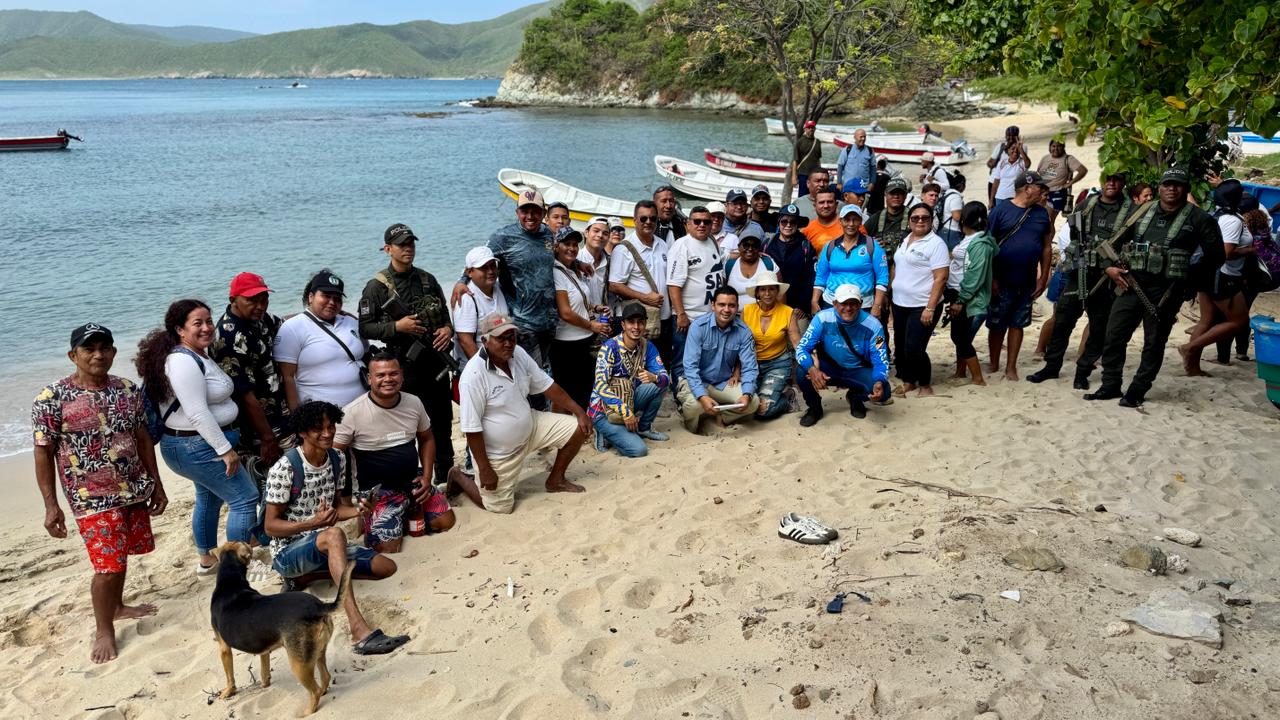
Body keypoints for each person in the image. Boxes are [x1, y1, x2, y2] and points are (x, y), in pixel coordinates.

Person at [33, 323, 168, 663]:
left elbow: (142, 438)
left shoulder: (126, 390)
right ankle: (103, 628)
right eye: (89, 349)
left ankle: (119, 606)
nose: (98, 355)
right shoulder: (52, 399)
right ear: (72, 355)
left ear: (113, 352)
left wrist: (156, 483)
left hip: (132, 489)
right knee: (106, 567)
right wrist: (51, 506)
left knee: (120, 555)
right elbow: (43, 452)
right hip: (90, 498)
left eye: (104, 348)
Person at [262, 400, 409, 656]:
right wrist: (312, 523)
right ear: (302, 432)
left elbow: (339, 508)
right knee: (333, 535)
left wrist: (360, 510)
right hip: (288, 552)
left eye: (331, 426)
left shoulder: (337, 459)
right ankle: (359, 631)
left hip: (324, 544)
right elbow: (270, 527)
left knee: (386, 567)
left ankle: (307, 577)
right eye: (319, 429)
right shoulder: (284, 468)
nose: (328, 433)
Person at [137, 299, 258, 575]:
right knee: (245, 498)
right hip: (194, 445)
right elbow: (196, 412)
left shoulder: (199, 354)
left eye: (208, 321)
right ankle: (235, 568)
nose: (206, 328)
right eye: (197, 323)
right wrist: (225, 449)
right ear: (180, 329)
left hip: (192, 445)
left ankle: (207, 561)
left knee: (209, 497)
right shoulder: (181, 361)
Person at [1087, 167, 1224, 406]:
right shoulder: (1140, 212)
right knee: (1113, 336)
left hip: (1167, 291)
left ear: (1186, 188)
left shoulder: (1199, 219)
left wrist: (1187, 279)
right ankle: (1110, 385)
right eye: (1167, 184)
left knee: (1154, 342)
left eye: (1178, 184)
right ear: (1159, 187)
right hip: (1131, 284)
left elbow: (1216, 257)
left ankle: (1137, 390)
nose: (1172, 188)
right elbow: (1112, 243)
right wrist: (1109, 267)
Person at [450, 314, 591, 514]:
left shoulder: (519, 353)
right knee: (499, 508)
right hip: (500, 453)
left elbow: (547, 385)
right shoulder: (472, 376)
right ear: (485, 341)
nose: (508, 343)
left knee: (578, 428)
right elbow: (471, 429)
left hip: (531, 426)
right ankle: (458, 476)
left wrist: (579, 412)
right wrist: (484, 469)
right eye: (501, 338)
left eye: (512, 337)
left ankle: (556, 480)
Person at [357, 223, 454, 484]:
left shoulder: (427, 279)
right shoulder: (376, 287)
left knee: (442, 420)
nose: (408, 249)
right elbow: (364, 327)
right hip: (404, 367)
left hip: (435, 361)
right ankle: (412, 480)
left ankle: (446, 476)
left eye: (411, 243)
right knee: (406, 425)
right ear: (388, 249)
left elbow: (444, 313)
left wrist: (447, 329)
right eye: (401, 245)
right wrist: (396, 327)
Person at [333, 353, 453, 554]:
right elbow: (334, 457)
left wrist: (426, 477)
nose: (388, 379)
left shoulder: (413, 402)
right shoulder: (352, 413)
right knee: (386, 548)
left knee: (445, 523)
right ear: (369, 379)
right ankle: (375, 519)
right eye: (380, 375)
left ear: (402, 376)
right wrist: (341, 499)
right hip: (378, 494)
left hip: (413, 485)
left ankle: (446, 482)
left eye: (393, 373)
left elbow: (427, 439)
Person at [1027, 172, 1135, 388]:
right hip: (1079, 273)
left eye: (1117, 180)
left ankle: (1083, 371)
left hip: (1107, 280)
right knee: (1062, 321)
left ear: (1123, 183)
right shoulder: (1087, 204)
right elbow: (1075, 236)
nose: (1111, 183)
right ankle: (1051, 367)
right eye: (1108, 179)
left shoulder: (1131, 212)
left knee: (1098, 328)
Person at [450, 189, 559, 394]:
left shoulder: (548, 234)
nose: (530, 216)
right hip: (523, 324)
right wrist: (461, 281)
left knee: (542, 375)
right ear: (517, 212)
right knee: (533, 381)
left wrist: (578, 264)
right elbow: (480, 260)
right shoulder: (502, 237)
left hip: (549, 321)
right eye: (524, 211)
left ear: (543, 212)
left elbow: (560, 258)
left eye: (535, 211)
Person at [210, 272, 290, 470]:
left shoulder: (259, 318)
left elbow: (285, 322)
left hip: (280, 415)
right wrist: (267, 438)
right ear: (233, 300)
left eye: (264, 300)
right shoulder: (229, 338)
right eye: (252, 300)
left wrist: (317, 315)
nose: (260, 306)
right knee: (275, 483)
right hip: (259, 429)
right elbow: (245, 395)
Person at [1179, 178, 1252, 376]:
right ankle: (1189, 348)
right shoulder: (1232, 221)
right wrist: (1250, 250)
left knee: (1207, 320)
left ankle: (1192, 366)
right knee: (1239, 321)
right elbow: (1227, 252)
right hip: (1224, 275)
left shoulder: (1215, 214)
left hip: (1207, 273)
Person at [986, 171, 1053, 381]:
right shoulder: (1000, 210)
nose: (1042, 192)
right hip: (1002, 278)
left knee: (1018, 323)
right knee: (997, 323)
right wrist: (993, 277)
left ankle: (1011, 366)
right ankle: (994, 362)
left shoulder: (1042, 213)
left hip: (1027, 280)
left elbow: (1047, 247)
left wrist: (1043, 277)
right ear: (1027, 188)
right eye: (1039, 188)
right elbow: (987, 245)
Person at [794, 285, 890, 425]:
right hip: (830, 368)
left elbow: (881, 358)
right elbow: (802, 348)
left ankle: (855, 397)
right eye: (843, 303)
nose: (848, 308)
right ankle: (814, 408)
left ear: (861, 304)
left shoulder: (875, 326)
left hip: (858, 370)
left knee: (884, 391)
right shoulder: (821, 318)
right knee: (802, 372)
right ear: (834, 303)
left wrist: (879, 380)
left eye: (853, 303)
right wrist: (812, 369)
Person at [588, 302, 671, 457]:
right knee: (639, 450)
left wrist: (655, 377)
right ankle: (602, 430)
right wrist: (625, 412)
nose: (636, 327)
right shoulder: (609, 348)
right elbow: (600, 386)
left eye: (640, 322)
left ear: (645, 324)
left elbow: (665, 378)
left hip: (629, 398)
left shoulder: (648, 346)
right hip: (604, 410)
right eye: (631, 322)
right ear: (623, 325)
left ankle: (644, 427)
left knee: (659, 384)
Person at [275, 270, 366, 409]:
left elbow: (365, 355)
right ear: (311, 297)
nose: (332, 302)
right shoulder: (293, 327)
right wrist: (296, 417)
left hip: (362, 405)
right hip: (321, 415)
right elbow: (287, 378)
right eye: (326, 296)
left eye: (337, 298)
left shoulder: (351, 321)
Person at [676, 287, 760, 433]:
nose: (726, 310)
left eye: (731, 305)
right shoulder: (698, 327)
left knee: (753, 403)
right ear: (713, 305)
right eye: (722, 304)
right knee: (695, 406)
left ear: (737, 307)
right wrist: (702, 396)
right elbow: (690, 367)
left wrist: (746, 394)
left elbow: (750, 367)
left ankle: (721, 416)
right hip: (696, 380)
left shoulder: (743, 331)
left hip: (722, 383)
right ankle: (691, 425)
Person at [891, 203, 950, 397]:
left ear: (931, 220)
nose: (920, 221)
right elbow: (897, 267)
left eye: (925, 217)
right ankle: (909, 382)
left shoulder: (936, 244)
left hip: (922, 304)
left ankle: (925, 384)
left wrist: (930, 308)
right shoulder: (906, 239)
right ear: (909, 220)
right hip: (900, 303)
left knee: (915, 346)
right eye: (915, 218)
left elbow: (941, 277)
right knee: (901, 345)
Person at [551, 227, 611, 409]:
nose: (571, 248)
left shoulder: (572, 269)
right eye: (566, 244)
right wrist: (592, 326)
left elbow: (578, 300)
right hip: (567, 343)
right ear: (556, 247)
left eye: (575, 245)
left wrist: (595, 307)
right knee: (566, 393)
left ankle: (583, 428)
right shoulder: (556, 273)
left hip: (583, 339)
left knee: (586, 388)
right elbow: (565, 312)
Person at [667, 205, 727, 384]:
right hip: (688, 317)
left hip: (709, 316)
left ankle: (700, 393)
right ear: (688, 224)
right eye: (697, 221)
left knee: (704, 358)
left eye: (706, 222)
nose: (702, 225)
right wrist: (681, 314)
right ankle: (681, 395)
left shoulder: (712, 241)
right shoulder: (682, 246)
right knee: (682, 360)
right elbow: (673, 284)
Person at [609, 199, 673, 368]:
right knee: (633, 366)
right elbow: (614, 285)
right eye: (643, 219)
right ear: (634, 220)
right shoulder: (624, 249)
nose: (648, 222)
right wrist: (645, 298)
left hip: (662, 317)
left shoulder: (663, 244)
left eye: (653, 218)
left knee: (660, 364)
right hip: (636, 321)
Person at [948, 202, 998, 385]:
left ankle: (977, 377)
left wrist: (961, 299)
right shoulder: (972, 238)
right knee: (961, 336)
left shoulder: (980, 243)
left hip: (968, 297)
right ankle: (960, 372)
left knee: (961, 337)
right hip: (959, 293)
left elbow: (975, 274)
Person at [743, 271, 801, 419]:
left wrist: (811, 361)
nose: (767, 293)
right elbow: (739, 342)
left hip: (778, 363)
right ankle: (770, 389)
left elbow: (796, 342)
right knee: (746, 403)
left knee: (763, 410)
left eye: (771, 289)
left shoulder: (788, 312)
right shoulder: (747, 311)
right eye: (763, 289)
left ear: (777, 291)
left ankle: (788, 397)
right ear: (757, 292)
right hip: (751, 365)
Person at [812, 203, 888, 317]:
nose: (851, 224)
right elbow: (820, 277)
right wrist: (814, 301)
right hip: (831, 303)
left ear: (861, 221)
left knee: (868, 335)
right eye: (847, 220)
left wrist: (877, 305)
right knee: (832, 335)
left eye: (855, 220)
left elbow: (882, 278)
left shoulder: (873, 246)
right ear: (840, 221)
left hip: (863, 305)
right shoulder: (830, 246)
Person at [451, 246, 509, 362]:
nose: (491, 271)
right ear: (469, 272)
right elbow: (465, 341)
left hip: (500, 361)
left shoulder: (498, 287)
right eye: (483, 268)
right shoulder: (467, 298)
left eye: (493, 265)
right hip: (477, 367)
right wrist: (485, 368)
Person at [763, 204, 818, 319]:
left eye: (792, 222)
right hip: (769, 304)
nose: (788, 225)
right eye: (784, 221)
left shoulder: (805, 246)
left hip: (796, 309)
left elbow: (811, 278)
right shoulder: (768, 244)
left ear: (797, 224)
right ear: (778, 223)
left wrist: (802, 306)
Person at [1037, 139, 1088, 223]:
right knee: (1039, 219)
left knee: (1048, 220)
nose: (1056, 148)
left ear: (1063, 147)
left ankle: (1047, 236)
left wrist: (1070, 183)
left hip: (1056, 194)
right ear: (1050, 147)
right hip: (1042, 193)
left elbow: (1083, 170)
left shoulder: (1068, 159)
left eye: (1059, 146)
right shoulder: (1045, 158)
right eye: (1053, 146)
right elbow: (1039, 173)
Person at [724, 231, 778, 307]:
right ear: (739, 247)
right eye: (746, 245)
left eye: (754, 246)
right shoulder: (729, 265)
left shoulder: (769, 264)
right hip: (733, 316)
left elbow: (780, 294)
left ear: (759, 248)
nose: (750, 249)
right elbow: (722, 292)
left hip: (763, 315)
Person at [987, 125, 1023, 204]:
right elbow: (989, 164)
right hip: (994, 180)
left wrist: (1015, 149)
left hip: (1008, 184)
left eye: (1013, 136)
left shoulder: (1021, 147)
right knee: (993, 206)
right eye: (1008, 136)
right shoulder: (1000, 146)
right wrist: (1001, 151)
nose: (1010, 138)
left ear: (1017, 136)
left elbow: (1023, 163)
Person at [801, 186, 843, 252]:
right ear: (815, 206)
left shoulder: (850, 226)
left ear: (836, 204)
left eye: (830, 202)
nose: (826, 206)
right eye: (821, 202)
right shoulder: (807, 230)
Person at [990, 140, 1029, 207]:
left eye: (1017, 149)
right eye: (1012, 148)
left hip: (1015, 197)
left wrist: (1021, 149)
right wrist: (991, 200)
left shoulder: (1022, 163)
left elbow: (1028, 164)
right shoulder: (1002, 163)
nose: (1015, 151)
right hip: (1000, 197)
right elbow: (996, 182)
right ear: (1008, 150)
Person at [935, 174, 966, 249]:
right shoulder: (955, 197)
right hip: (952, 231)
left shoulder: (946, 193)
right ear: (962, 185)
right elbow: (957, 217)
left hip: (943, 229)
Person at [793, 120, 824, 195]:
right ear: (805, 129)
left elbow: (818, 159)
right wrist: (794, 177)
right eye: (809, 127)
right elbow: (795, 160)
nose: (811, 129)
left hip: (814, 175)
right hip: (803, 174)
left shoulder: (817, 142)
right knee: (803, 195)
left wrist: (821, 173)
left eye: (812, 127)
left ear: (815, 129)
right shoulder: (799, 142)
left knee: (815, 194)